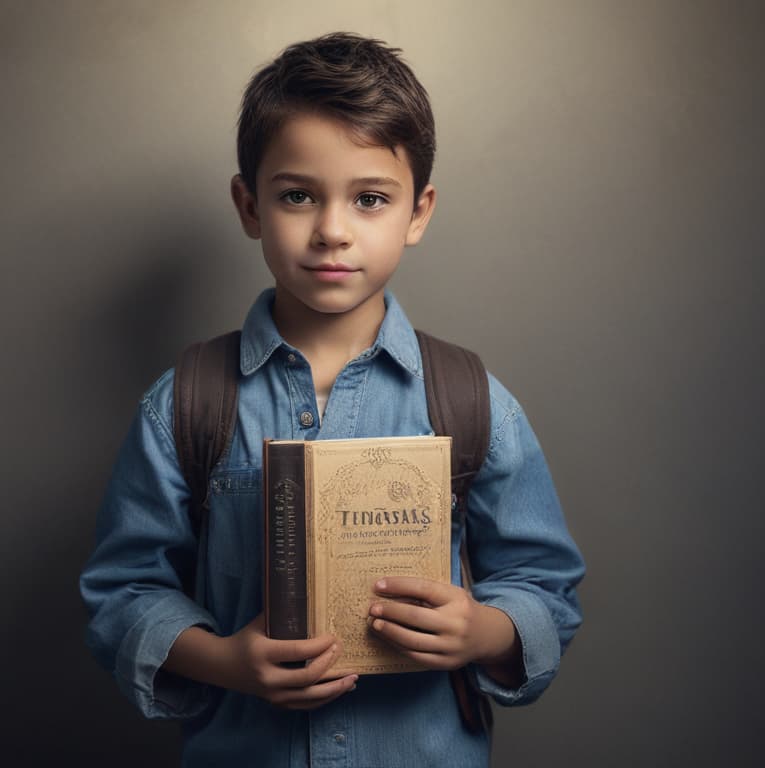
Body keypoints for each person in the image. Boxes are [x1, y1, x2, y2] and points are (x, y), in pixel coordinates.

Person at [80, 32, 584, 767]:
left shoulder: (473, 402)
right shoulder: (184, 406)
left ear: (418, 212)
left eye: (371, 199)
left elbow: (545, 585)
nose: (332, 231)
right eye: (297, 196)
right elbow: (123, 591)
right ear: (249, 205)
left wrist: (487, 632)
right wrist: (223, 661)